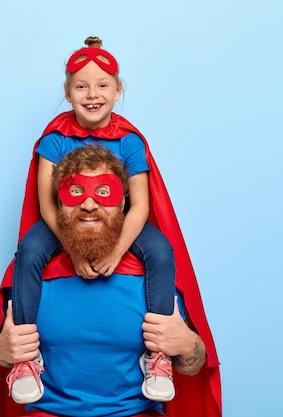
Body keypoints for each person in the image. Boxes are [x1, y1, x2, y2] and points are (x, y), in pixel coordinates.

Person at [0, 145, 222, 417]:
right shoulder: (29, 274)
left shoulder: (155, 278)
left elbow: (193, 364)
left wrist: (188, 345)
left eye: (104, 193)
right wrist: (1, 349)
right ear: (58, 204)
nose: (89, 205)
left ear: (123, 204)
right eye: (75, 193)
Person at [9, 36, 177, 405]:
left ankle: (158, 354)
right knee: (29, 250)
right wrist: (74, 251)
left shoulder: (129, 141)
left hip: (118, 224)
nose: (92, 93)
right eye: (81, 86)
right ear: (68, 93)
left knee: (162, 252)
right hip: (66, 225)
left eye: (103, 85)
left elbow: (141, 206)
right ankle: (24, 357)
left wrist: (116, 251)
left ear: (118, 91)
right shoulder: (53, 140)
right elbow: (46, 205)